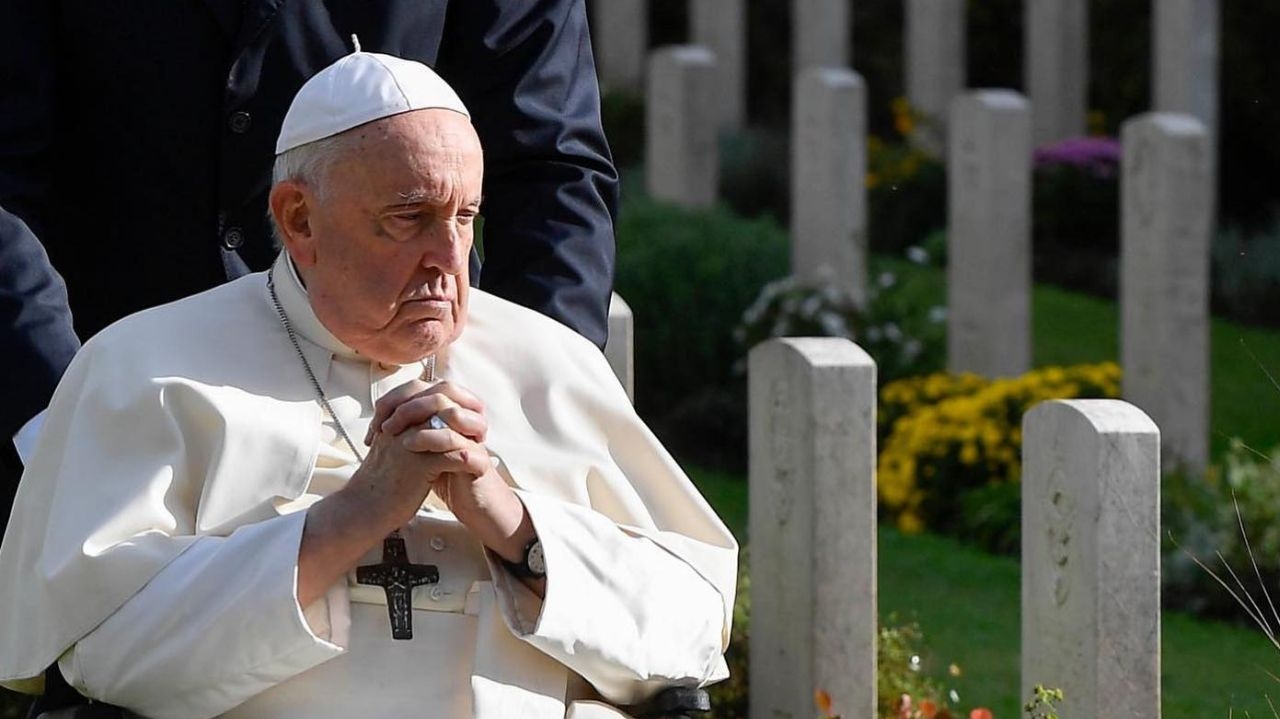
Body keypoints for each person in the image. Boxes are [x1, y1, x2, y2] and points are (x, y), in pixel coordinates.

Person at [0, 53, 734, 719]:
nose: (450, 257)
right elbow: (103, 653)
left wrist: (513, 526)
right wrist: (352, 518)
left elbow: (693, 634)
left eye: (465, 217)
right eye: (409, 218)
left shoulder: (551, 364)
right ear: (299, 220)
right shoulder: (147, 367)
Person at [0, 1, 619, 503]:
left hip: (411, 396)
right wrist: (59, 427)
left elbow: (549, 166)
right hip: (111, 404)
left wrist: (525, 416)